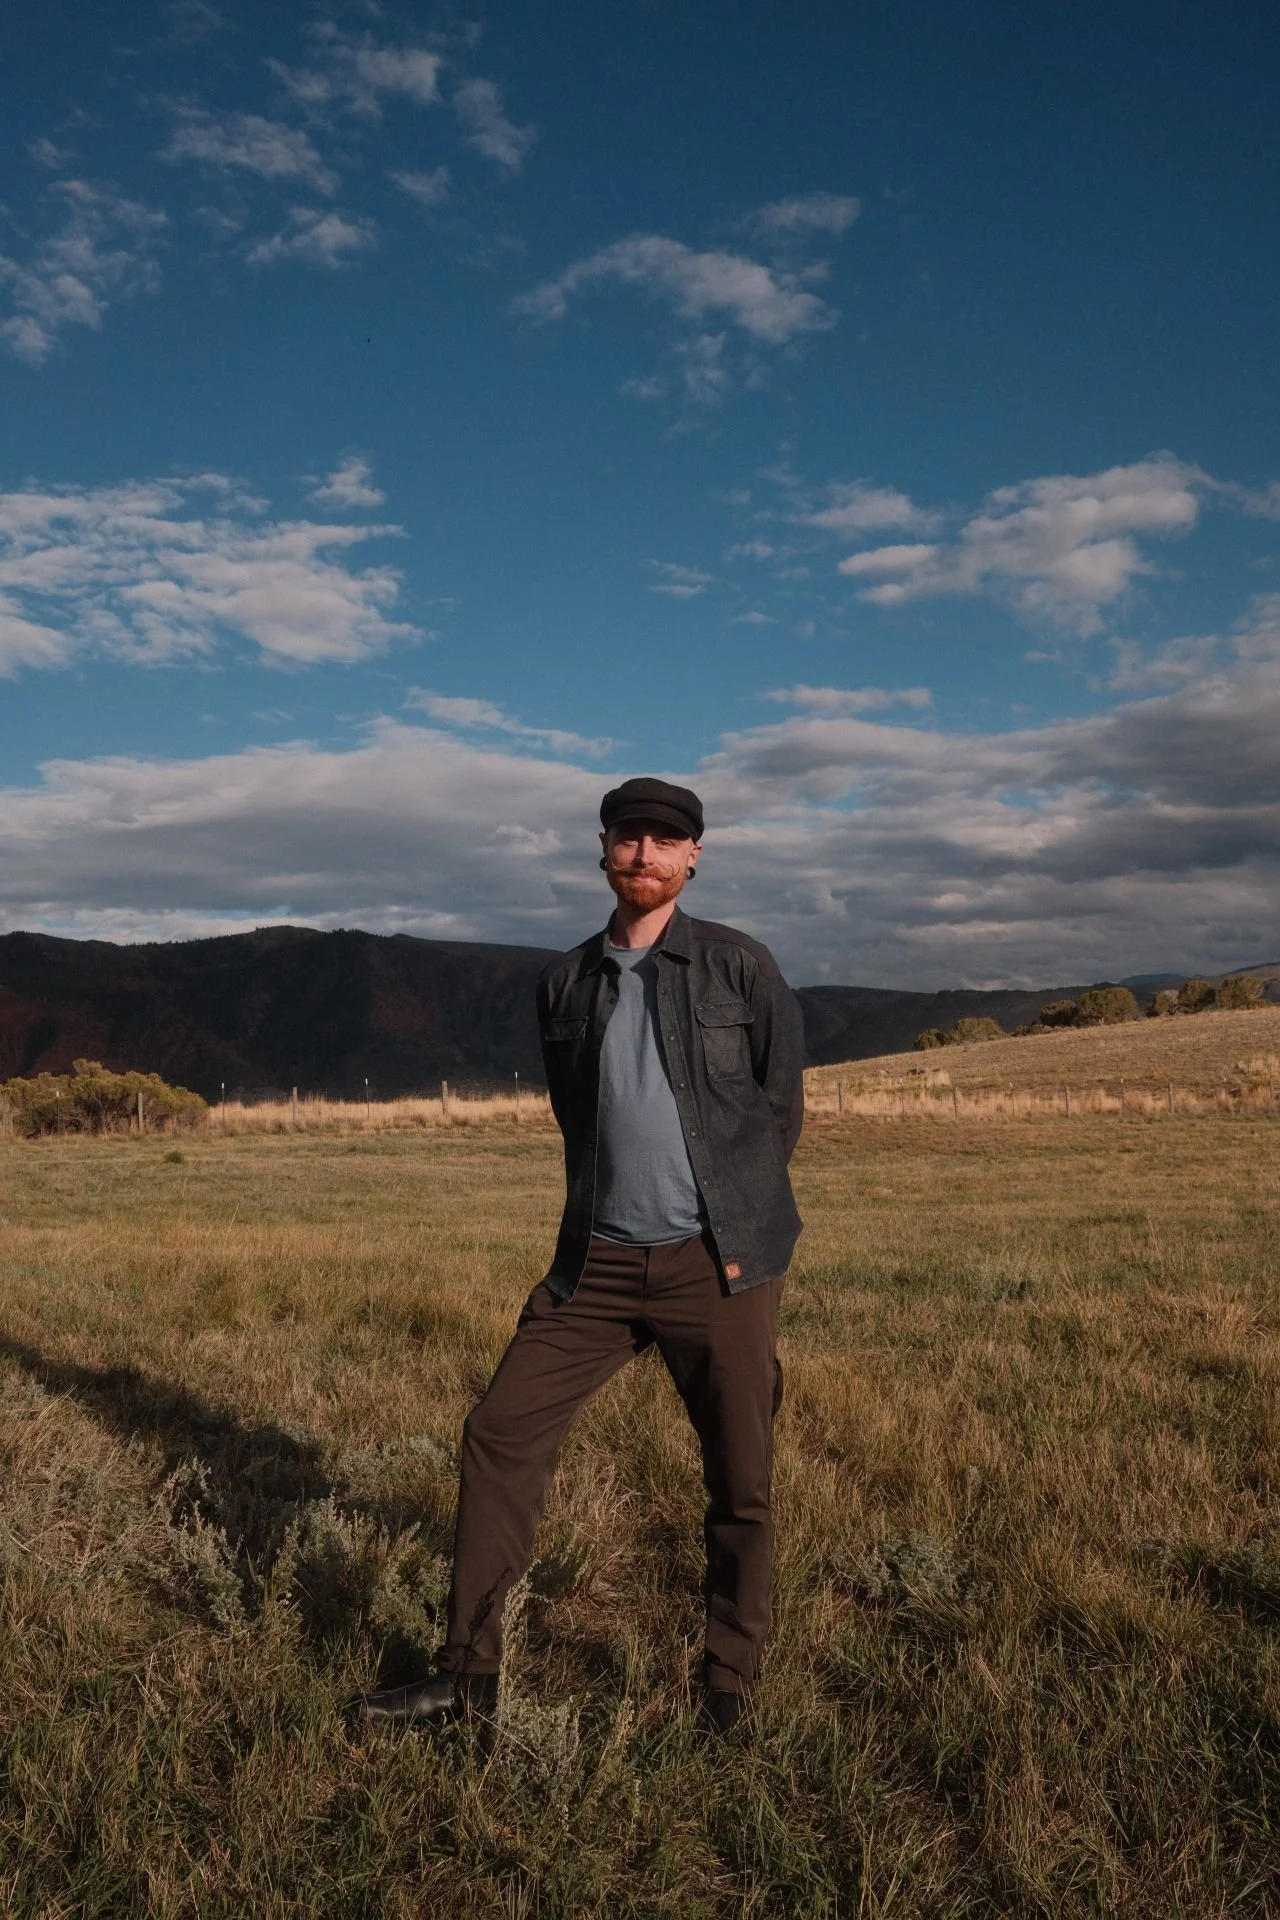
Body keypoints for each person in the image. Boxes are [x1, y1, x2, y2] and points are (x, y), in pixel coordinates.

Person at [348, 776, 805, 1737]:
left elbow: (776, 1113)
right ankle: (466, 1680)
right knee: (498, 1434)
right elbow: (576, 1115)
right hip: (592, 1265)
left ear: (693, 858)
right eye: (629, 837)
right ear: (603, 849)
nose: (645, 853)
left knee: (739, 1473)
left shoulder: (740, 968)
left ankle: (726, 1683)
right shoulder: (565, 983)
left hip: (716, 1263)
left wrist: (732, 1223)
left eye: (665, 840)